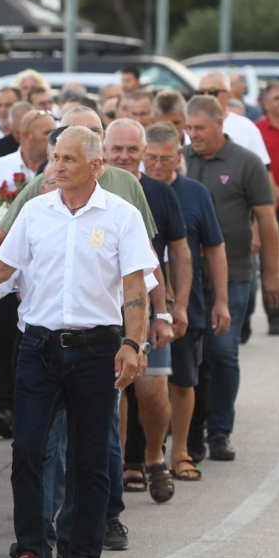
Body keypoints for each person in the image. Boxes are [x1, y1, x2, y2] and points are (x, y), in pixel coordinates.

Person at [0, 126, 155, 558]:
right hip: (37, 348)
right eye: (54, 156)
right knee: (28, 453)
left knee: (90, 457)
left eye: (67, 160)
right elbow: (0, 270)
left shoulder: (121, 216)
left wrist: (133, 344)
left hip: (97, 350)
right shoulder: (35, 212)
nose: (56, 166)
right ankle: (31, 555)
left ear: (96, 167)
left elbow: (136, 288)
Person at [184, 95, 279, 461]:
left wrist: (272, 274)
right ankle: (188, 430)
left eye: (200, 128)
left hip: (236, 272)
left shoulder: (246, 163)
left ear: (219, 124)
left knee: (223, 354)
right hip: (188, 277)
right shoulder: (182, 161)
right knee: (194, 355)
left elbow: (268, 222)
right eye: (189, 128)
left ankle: (220, 432)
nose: (193, 135)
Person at [104, 119, 191, 502]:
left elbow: (166, 254)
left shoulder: (156, 191)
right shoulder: (86, 188)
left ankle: (155, 455)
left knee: (154, 391)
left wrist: (168, 310)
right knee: (116, 393)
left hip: (148, 305)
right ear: (103, 150)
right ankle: (119, 466)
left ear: (143, 152)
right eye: (117, 149)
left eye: (131, 150)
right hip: (105, 312)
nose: (124, 156)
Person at [143, 121, 230, 482]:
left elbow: (213, 248)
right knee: (141, 388)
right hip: (138, 307)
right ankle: (138, 459)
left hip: (185, 303)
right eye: (152, 158)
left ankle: (180, 452)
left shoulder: (195, 193)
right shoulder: (129, 189)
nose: (158, 165)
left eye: (167, 158)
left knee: (183, 380)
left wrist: (221, 301)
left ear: (181, 156)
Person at [197, 71, 272, 167]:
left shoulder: (246, 128)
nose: (205, 97)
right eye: (201, 92)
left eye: (213, 92)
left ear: (228, 94)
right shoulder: (188, 128)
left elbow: (262, 169)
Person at [255, 80, 279, 334]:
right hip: (269, 204)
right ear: (265, 102)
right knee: (270, 258)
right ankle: (275, 313)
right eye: (276, 98)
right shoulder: (258, 130)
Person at [0, 109, 55, 195]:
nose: (55, 139)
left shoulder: (61, 169)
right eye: (48, 133)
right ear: (27, 136)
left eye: (56, 133)